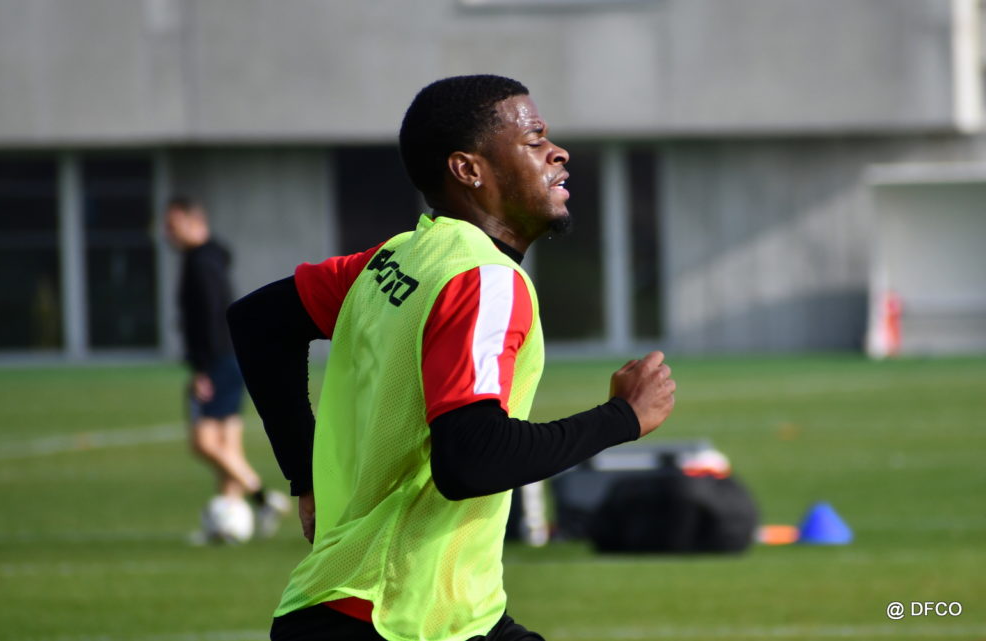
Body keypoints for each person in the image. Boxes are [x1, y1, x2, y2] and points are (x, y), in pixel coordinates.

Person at [226, 75, 676, 640]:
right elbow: (471, 459)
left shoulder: (400, 257)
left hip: (408, 610)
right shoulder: (484, 278)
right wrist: (622, 418)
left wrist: (305, 476)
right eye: (534, 139)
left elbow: (258, 322)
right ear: (468, 169)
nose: (558, 152)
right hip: (396, 618)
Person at [164, 196, 289, 539]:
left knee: (203, 442)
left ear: (193, 221)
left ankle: (262, 497)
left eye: (172, 225)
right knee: (228, 447)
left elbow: (209, 315)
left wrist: (201, 367)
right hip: (233, 356)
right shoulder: (213, 257)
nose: (167, 233)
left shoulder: (200, 263)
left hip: (217, 360)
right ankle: (227, 524)